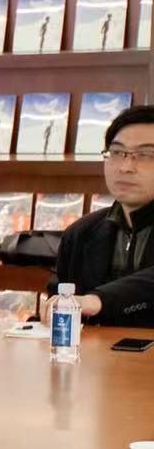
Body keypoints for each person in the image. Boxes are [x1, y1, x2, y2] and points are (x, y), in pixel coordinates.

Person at [55, 104, 154, 325]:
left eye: (146, 155)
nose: (126, 167)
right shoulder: (80, 234)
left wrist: (97, 301)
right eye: (117, 152)